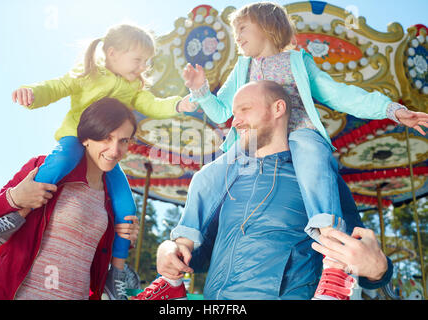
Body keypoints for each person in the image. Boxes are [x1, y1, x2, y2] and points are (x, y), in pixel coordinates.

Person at [180, 2, 427, 299]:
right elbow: (221, 113)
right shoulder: (242, 68)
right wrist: (201, 91)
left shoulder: (297, 61)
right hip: (221, 292)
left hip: (301, 131)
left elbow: (339, 94)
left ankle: (331, 247)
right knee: (206, 175)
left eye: (243, 28)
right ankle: (183, 237)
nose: (238, 37)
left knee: (313, 157)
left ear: (267, 26)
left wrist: (391, 110)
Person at [0, 23, 196, 299]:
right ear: (113, 53)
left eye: (123, 140)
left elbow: (153, 104)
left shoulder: (132, 89)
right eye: (137, 60)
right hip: (72, 138)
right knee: (61, 162)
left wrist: (179, 104)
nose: (142, 67)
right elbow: (56, 87)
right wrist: (32, 94)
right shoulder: (89, 76)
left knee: (127, 207)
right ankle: (14, 219)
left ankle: (116, 274)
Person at [132, 81, 393, 300]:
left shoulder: (318, 178)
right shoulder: (224, 181)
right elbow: (197, 259)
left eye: (245, 110)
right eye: (234, 114)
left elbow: (358, 254)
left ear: (278, 108)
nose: (236, 122)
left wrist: (378, 270)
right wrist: (167, 250)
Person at [0, 97, 141, 300]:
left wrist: (125, 237)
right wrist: (14, 198)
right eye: (106, 138)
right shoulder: (41, 168)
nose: (115, 150)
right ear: (87, 137)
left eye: (123, 141)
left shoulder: (113, 199)